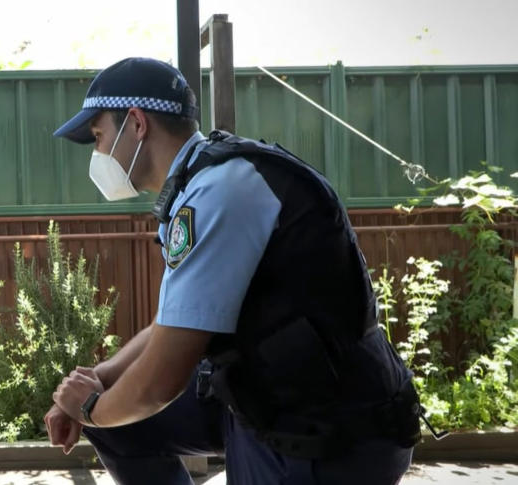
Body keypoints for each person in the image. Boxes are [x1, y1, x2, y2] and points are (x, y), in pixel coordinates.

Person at [45, 57, 422, 484]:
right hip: (275, 394)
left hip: (329, 431)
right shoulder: (201, 182)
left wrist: (90, 408)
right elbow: (174, 325)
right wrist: (99, 380)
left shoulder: (220, 192)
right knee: (120, 422)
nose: (97, 152)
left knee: (117, 413)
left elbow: (158, 385)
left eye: (98, 136)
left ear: (136, 123)